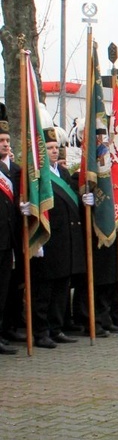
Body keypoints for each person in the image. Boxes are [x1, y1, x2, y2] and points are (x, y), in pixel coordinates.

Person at [22, 124, 87, 348]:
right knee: (44, 291)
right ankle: (40, 332)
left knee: (61, 288)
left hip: (67, 241)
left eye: (55, 147)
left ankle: (56, 328)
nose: (53, 151)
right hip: (48, 240)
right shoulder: (38, 176)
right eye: (49, 147)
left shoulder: (64, 173)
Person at [0, 104, 20, 354]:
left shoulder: (11, 171)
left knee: (5, 290)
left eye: (7, 140)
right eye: (2, 140)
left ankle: (4, 330)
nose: (6, 144)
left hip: (8, 241)